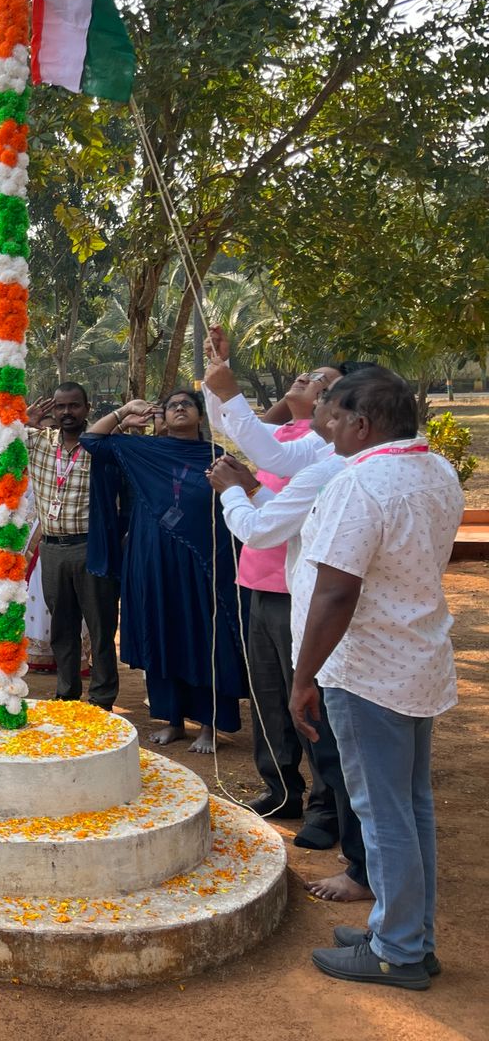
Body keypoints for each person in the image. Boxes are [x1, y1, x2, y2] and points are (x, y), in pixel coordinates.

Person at [290, 367, 462, 990]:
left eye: (334, 416)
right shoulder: (437, 471)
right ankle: (411, 934)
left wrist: (303, 677)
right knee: (409, 807)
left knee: (383, 812)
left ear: (361, 423)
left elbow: (337, 592)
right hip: (414, 662)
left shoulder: (360, 482)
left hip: (366, 671)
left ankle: (397, 950)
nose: (328, 426)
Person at [205, 361, 369, 902]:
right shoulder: (307, 442)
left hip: (306, 599)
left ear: (347, 408)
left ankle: (333, 818)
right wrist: (217, 385)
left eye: (323, 384)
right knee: (272, 699)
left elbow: (263, 522)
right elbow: (246, 438)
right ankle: (284, 792)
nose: (309, 387)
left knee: (316, 716)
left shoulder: (328, 459)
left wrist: (236, 490)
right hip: (266, 586)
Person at [82, 390, 247, 754]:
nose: (180, 408)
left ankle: (209, 725)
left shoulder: (217, 457)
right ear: (163, 416)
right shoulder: (143, 450)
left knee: (204, 636)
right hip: (152, 558)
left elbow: (240, 498)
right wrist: (125, 412)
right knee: (162, 632)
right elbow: (92, 440)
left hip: (200, 561)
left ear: (200, 416)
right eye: (173, 405)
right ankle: (172, 720)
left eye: (187, 404)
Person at [24, 383, 119, 705]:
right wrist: (24, 422)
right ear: (53, 410)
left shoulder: (101, 444)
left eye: (74, 405)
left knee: (100, 626)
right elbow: (1, 445)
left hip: (90, 547)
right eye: (60, 406)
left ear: (87, 408)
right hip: (51, 548)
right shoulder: (38, 442)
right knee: (62, 627)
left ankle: (102, 700)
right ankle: (66, 695)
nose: (67, 412)